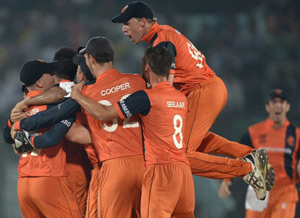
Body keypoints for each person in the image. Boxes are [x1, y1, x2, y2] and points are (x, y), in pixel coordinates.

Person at [111, 1, 274, 200]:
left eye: (127, 23)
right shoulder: (163, 33)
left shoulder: (161, 39)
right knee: (191, 139)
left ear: (143, 22)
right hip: (208, 88)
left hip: (202, 90)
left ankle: (246, 169)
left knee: (181, 154)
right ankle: (250, 155)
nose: (124, 28)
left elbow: (166, 85)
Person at [72, 45, 195, 218]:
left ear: (91, 60)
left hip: (119, 167)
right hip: (153, 165)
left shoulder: (86, 93)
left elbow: (99, 115)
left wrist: (76, 94)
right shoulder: (141, 83)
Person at [7, 60, 83, 218]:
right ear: (40, 82)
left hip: (23, 183)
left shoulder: (19, 108)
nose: (54, 76)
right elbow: (54, 136)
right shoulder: (54, 105)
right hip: (48, 178)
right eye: (50, 73)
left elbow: (7, 135)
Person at [219, 89, 300, 218]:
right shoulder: (254, 132)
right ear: (268, 107)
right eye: (274, 102)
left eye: (281, 102)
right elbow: (237, 154)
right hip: (258, 189)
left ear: (288, 106)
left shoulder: (297, 134)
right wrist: (227, 179)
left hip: (285, 191)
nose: (278, 105)